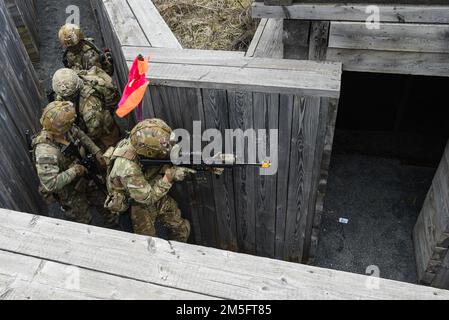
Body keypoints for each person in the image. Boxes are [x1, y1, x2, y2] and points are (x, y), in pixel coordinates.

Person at [104, 119, 193, 241]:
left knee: (181, 228)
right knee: (148, 244)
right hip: (134, 203)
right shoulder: (127, 167)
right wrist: (169, 177)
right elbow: (148, 198)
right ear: (149, 152)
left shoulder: (140, 142)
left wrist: (210, 162)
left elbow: (169, 152)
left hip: (146, 186)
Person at [33, 101, 117, 226]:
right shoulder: (46, 152)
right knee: (82, 220)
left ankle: (112, 223)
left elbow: (82, 136)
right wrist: (75, 170)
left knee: (102, 199)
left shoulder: (65, 129)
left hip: (85, 173)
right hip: (69, 189)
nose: (71, 126)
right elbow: (50, 184)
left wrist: (97, 151)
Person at [52, 67, 121, 151]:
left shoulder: (89, 108)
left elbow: (95, 133)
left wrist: (83, 142)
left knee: (106, 156)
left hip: (103, 132)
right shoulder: (72, 81)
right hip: (87, 121)